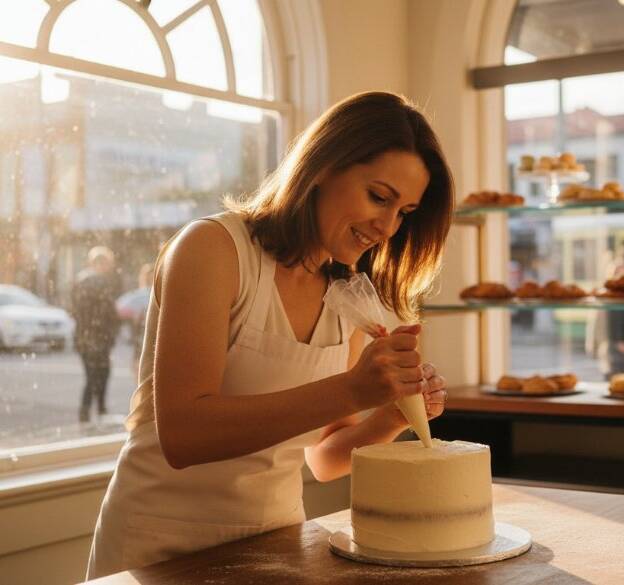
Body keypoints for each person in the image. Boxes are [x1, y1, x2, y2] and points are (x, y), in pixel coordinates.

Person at [86, 92, 454, 578]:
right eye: (379, 197)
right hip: (159, 546)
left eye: (404, 212)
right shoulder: (213, 250)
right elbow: (183, 434)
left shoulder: (346, 294)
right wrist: (351, 389)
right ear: (324, 166)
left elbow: (325, 457)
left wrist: (390, 414)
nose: (387, 227)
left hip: (277, 546)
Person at [72, 246, 122, 423]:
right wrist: (111, 329)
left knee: (97, 373)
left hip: (85, 337)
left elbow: (77, 312)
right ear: (99, 263)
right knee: (98, 373)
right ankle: (91, 410)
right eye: (107, 263)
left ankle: (95, 409)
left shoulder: (80, 281)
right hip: (96, 338)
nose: (109, 268)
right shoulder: (97, 283)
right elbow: (106, 312)